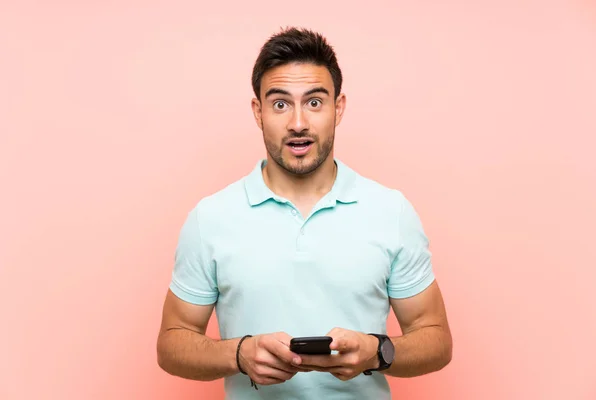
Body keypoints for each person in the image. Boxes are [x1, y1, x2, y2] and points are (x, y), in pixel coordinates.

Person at [156, 27, 452, 399]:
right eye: (280, 104)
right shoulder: (210, 218)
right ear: (258, 111)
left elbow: (436, 339)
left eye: (314, 102)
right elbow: (171, 344)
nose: (298, 123)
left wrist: (377, 353)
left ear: (337, 108)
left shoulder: (391, 211)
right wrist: (237, 354)